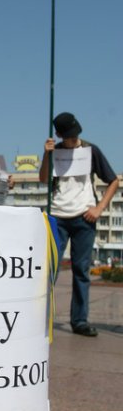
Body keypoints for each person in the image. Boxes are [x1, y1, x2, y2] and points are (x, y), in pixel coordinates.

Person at [39, 112, 119, 337]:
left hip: (84, 217)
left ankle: (79, 321)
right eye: (69, 137)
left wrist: (99, 208)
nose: (73, 140)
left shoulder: (91, 150)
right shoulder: (54, 151)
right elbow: (44, 179)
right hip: (58, 216)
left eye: (75, 135)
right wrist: (46, 155)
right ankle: (41, 317)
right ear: (59, 135)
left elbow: (113, 180)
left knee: (81, 271)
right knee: (50, 268)